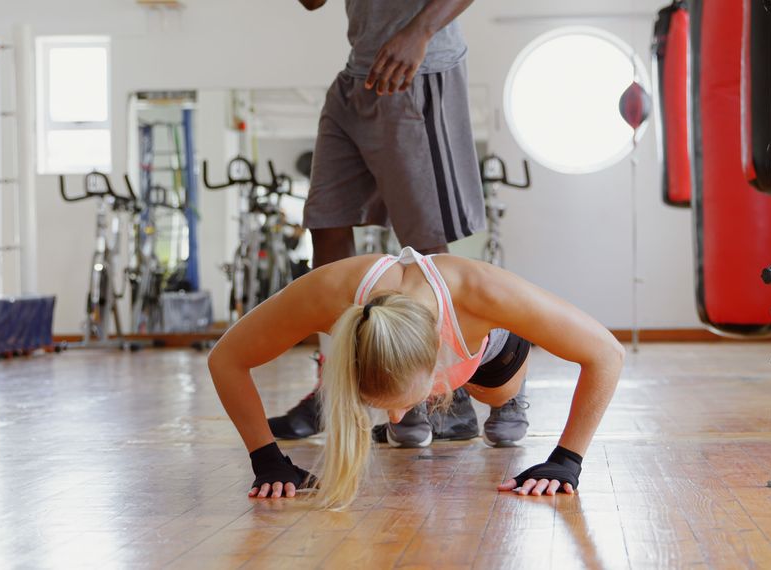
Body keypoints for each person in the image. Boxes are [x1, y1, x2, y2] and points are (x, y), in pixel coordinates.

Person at [271, 0, 529, 446]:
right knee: (326, 225)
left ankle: (447, 391)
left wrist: (420, 30)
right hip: (358, 74)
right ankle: (336, 388)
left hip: (420, 67)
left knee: (426, 248)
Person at [208, 247, 625, 509]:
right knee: (405, 432)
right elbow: (225, 359)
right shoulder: (326, 292)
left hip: (488, 346)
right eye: (378, 404)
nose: (391, 417)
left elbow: (607, 354)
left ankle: (506, 400)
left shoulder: (483, 292)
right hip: (412, 352)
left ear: (435, 365)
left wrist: (566, 461)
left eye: (405, 401)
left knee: (502, 407)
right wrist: (266, 460)